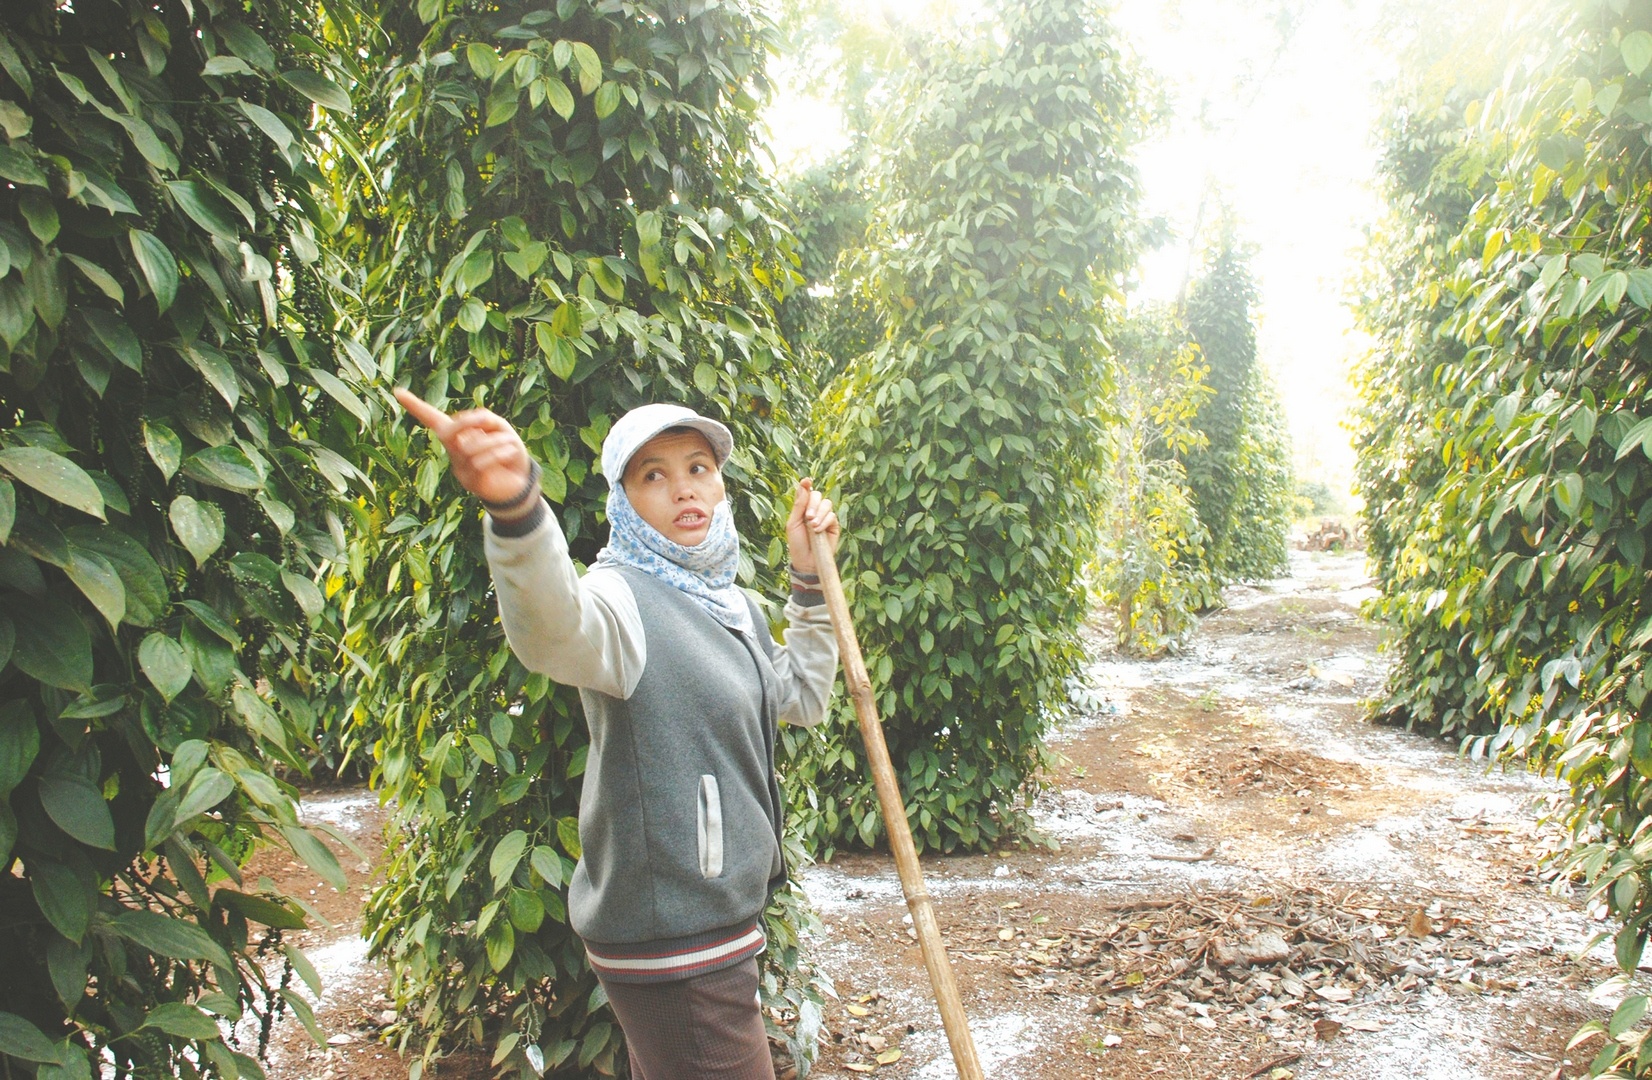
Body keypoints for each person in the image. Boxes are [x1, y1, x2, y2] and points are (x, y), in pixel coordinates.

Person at [394, 388, 840, 1080]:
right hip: (673, 939)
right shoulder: (622, 598)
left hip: (713, 926)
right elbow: (554, 627)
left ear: (721, 485)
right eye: (652, 475)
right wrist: (517, 509)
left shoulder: (732, 605)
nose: (683, 489)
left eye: (698, 468)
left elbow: (803, 698)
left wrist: (809, 578)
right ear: (624, 501)